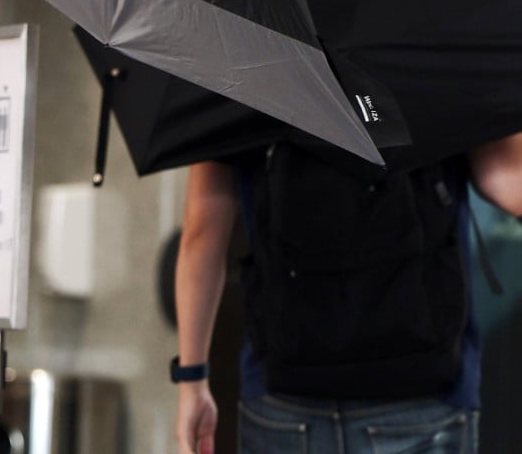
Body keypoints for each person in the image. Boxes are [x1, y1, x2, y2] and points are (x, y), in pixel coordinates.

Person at [174, 133, 522, 454]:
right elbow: (506, 181)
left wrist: (192, 381)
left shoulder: (240, 87)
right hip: (421, 390)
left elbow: (201, 234)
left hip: (283, 391)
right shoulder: (443, 84)